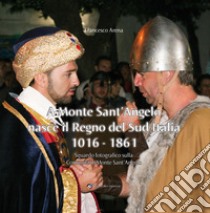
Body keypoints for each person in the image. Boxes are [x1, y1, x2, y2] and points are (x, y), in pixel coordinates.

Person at [0, 26, 103, 212]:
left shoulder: (38, 115)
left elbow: (41, 176)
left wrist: (72, 169)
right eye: (68, 73)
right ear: (41, 77)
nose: (77, 82)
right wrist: (75, 183)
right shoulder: (17, 129)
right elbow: (21, 200)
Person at [117, 16, 210, 212]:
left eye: (142, 73)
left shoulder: (201, 121)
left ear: (166, 73)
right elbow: (137, 186)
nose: (136, 82)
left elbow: (161, 193)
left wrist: (133, 134)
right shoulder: (161, 120)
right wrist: (96, 182)